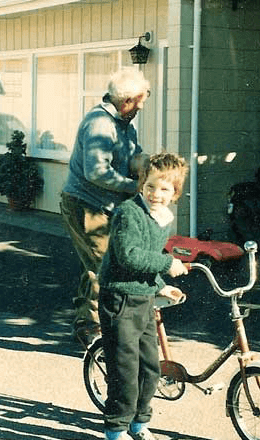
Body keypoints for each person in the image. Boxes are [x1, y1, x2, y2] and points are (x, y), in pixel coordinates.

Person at [98, 152, 189, 440]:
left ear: (175, 193)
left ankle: (139, 422)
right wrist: (167, 265)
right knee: (125, 370)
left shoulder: (163, 217)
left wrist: (162, 285)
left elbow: (149, 256)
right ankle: (114, 430)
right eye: (150, 186)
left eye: (164, 189)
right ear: (141, 184)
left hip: (144, 298)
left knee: (150, 369)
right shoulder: (129, 213)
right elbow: (129, 255)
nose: (156, 194)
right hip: (120, 298)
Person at [60, 67, 150, 342]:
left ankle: (88, 320)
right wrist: (133, 187)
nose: (143, 105)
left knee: (101, 263)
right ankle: (91, 329)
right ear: (127, 101)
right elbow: (96, 172)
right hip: (86, 206)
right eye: (141, 100)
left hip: (105, 205)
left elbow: (133, 157)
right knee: (106, 265)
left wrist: (152, 168)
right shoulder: (100, 124)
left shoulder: (124, 123)